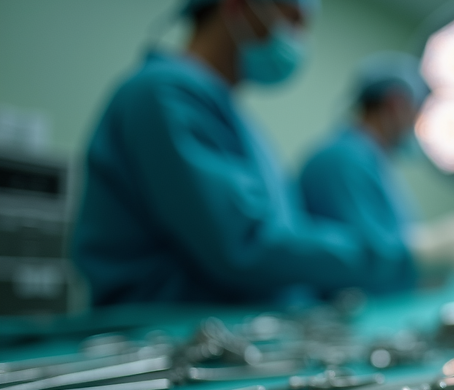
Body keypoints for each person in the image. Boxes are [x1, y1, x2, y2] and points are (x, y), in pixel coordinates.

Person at [73, 0, 423, 306]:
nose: (299, 40)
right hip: (164, 340)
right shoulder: (163, 96)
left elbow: (280, 237)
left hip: (237, 334)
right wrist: (402, 257)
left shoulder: (235, 121)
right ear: (237, 7)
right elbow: (246, 245)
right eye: (294, 20)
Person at [298, 53, 454, 292]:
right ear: (396, 104)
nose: (418, 125)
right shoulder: (340, 161)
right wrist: (419, 256)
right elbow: (358, 262)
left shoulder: (372, 163)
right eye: (418, 113)